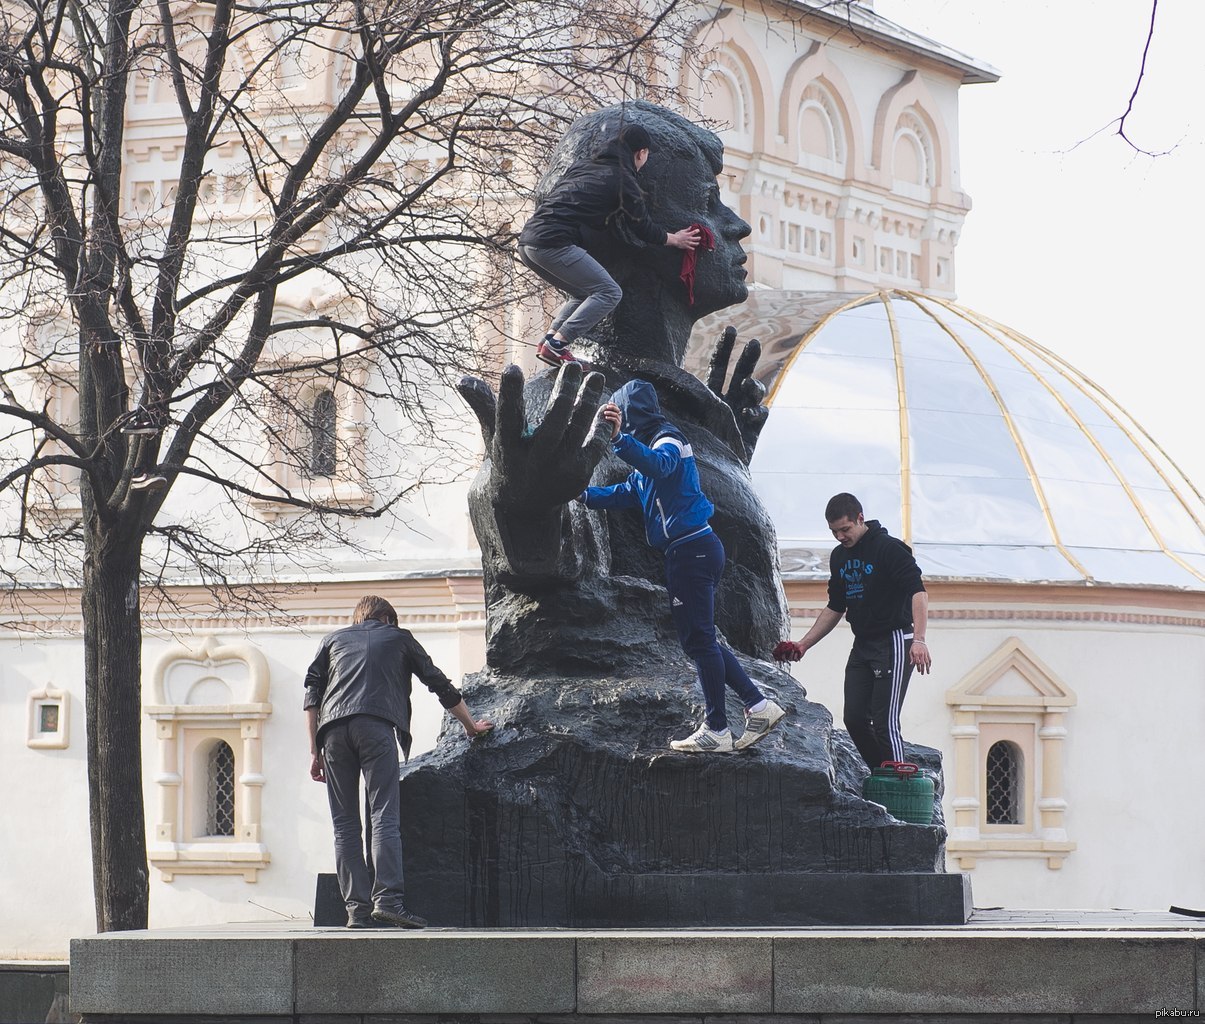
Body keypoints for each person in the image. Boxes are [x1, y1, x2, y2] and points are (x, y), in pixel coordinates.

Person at [579, 379, 785, 753]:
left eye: (622, 416)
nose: (619, 425)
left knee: (700, 639)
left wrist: (620, 440)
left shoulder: (668, 440)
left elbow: (660, 465)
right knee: (700, 638)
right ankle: (757, 705)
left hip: (693, 550)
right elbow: (624, 492)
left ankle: (717, 729)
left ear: (633, 414)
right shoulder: (648, 457)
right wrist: (580, 494)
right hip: (689, 551)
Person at [304, 595, 493, 928]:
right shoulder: (400, 637)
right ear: (388, 619)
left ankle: (356, 912)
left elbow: (312, 695)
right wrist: (471, 727)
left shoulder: (332, 640)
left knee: (345, 826)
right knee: (383, 817)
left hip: (331, 733)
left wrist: (313, 750)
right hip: (375, 728)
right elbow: (439, 684)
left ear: (358, 619)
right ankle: (388, 901)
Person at [518, 122, 701, 367]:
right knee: (609, 292)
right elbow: (642, 226)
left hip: (527, 243)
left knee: (583, 292)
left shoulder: (583, 166)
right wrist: (675, 239)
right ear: (641, 153)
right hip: (553, 243)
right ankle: (557, 345)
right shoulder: (624, 179)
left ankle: (550, 341)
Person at [774, 493, 931, 771]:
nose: (840, 537)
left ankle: (899, 783)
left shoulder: (889, 549)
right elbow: (835, 607)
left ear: (860, 519)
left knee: (885, 721)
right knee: (855, 718)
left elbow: (918, 592)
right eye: (834, 532)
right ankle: (881, 772)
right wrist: (804, 644)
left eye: (845, 530)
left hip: (894, 640)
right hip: (863, 644)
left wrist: (918, 640)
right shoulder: (839, 557)